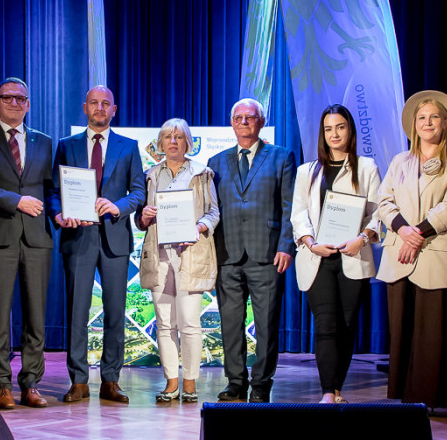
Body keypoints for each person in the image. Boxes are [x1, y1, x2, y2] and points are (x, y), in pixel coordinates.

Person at [48, 85, 146, 404]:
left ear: (114, 110)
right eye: (94, 103)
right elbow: (53, 191)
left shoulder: (128, 146)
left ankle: (111, 380)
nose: (100, 108)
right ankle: (78, 381)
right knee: (77, 311)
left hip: (115, 237)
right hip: (78, 237)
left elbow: (138, 192)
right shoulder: (67, 146)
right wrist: (59, 213)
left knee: (115, 311)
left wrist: (118, 206)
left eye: (106, 103)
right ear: (85, 107)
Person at [374, 91, 447, 409]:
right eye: (422, 117)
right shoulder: (400, 161)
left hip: (435, 252)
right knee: (401, 329)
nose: (428, 122)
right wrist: (403, 230)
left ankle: (426, 400)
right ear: (414, 125)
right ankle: (403, 399)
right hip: (399, 252)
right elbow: (384, 201)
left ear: (445, 123)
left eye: (434, 117)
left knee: (431, 332)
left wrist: (417, 234)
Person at [0, 77, 56, 410]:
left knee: (36, 315)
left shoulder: (44, 141)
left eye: (20, 98)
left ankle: (30, 383)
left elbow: (51, 189)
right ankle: (2, 384)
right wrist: (16, 200)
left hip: (36, 238)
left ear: (28, 104)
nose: (14, 103)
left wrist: (61, 213)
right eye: (7, 97)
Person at [290, 104, 382, 404]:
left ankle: (338, 389)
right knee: (326, 325)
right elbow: (298, 214)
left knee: (346, 326)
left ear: (350, 130)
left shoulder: (366, 168)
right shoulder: (307, 171)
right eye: (328, 129)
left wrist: (362, 238)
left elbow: (377, 213)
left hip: (353, 256)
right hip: (317, 258)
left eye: (340, 127)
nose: (334, 134)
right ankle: (328, 393)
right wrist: (310, 242)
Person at [209, 98, 295, 403]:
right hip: (227, 254)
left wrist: (286, 245)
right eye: (238, 118)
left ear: (261, 121)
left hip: (268, 254)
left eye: (250, 117)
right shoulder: (216, 162)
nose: (244, 122)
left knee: (267, 325)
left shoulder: (281, 157)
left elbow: (290, 206)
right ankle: (235, 382)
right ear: (231, 123)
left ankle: (261, 385)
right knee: (230, 323)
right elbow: (209, 209)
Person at [136, 119, 220, 403]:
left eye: (179, 137)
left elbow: (214, 212)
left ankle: (190, 384)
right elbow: (140, 219)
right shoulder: (150, 175)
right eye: (168, 137)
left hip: (191, 254)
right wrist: (143, 216)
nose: (173, 142)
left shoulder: (202, 173)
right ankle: (171, 383)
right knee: (164, 323)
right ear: (160, 143)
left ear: (188, 142)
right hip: (159, 256)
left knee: (189, 322)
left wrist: (198, 227)